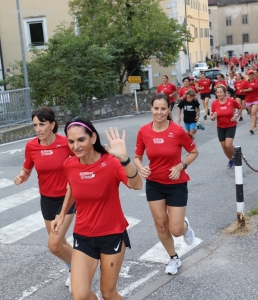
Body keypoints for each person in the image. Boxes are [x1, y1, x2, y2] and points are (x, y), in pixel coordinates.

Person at [51, 117, 142, 300]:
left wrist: (124, 159)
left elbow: (137, 184)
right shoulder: (70, 164)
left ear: (93, 138)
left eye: (81, 140)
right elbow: (72, 187)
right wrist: (61, 215)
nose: (76, 146)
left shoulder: (111, 162)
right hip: (83, 237)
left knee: (108, 294)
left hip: (111, 235)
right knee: (80, 295)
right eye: (71, 141)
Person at [134, 93, 199, 276]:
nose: (159, 112)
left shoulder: (177, 131)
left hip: (176, 183)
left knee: (176, 230)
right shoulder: (144, 131)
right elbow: (137, 157)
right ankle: (173, 258)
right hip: (154, 184)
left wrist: (181, 165)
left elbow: (194, 152)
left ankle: (185, 226)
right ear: (151, 109)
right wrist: (141, 168)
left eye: (163, 108)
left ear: (169, 109)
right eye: (156, 108)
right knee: (161, 225)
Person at [14, 107, 75, 287]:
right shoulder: (32, 146)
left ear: (52, 124)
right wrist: (22, 176)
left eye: (42, 124)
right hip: (46, 199)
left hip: (67, 198)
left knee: (54, 245)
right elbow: (27, 169)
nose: (38, 129)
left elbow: (82, 161)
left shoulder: (65, 143)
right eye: (35, 125)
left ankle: (78, 269)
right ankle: (75, 267)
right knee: (60, 241)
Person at [210, 85, 241, 168]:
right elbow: (211, 118)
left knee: (228, 145)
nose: (219, 94)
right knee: (223, 145)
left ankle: (238, 156)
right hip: (220, 127)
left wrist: (236, 115)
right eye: (217, 92)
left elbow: (240, 107)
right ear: (216, 93)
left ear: (224, 93)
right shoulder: (214, 103)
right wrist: (213, 117)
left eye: (221, 92)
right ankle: (231, 159)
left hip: (231, 125)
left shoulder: (231, 101)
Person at [240, 69, 258, 134]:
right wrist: (247, 90)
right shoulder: (245, 82)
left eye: (252, 74)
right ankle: (255, 125)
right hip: (248, 100)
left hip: (256, 99)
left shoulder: (257, 80)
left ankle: (252, 127)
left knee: (253, 112)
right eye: (250, 74)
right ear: (248, 75)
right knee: (251, 114)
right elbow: (240, 90)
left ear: (254, 75)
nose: (251, 75)